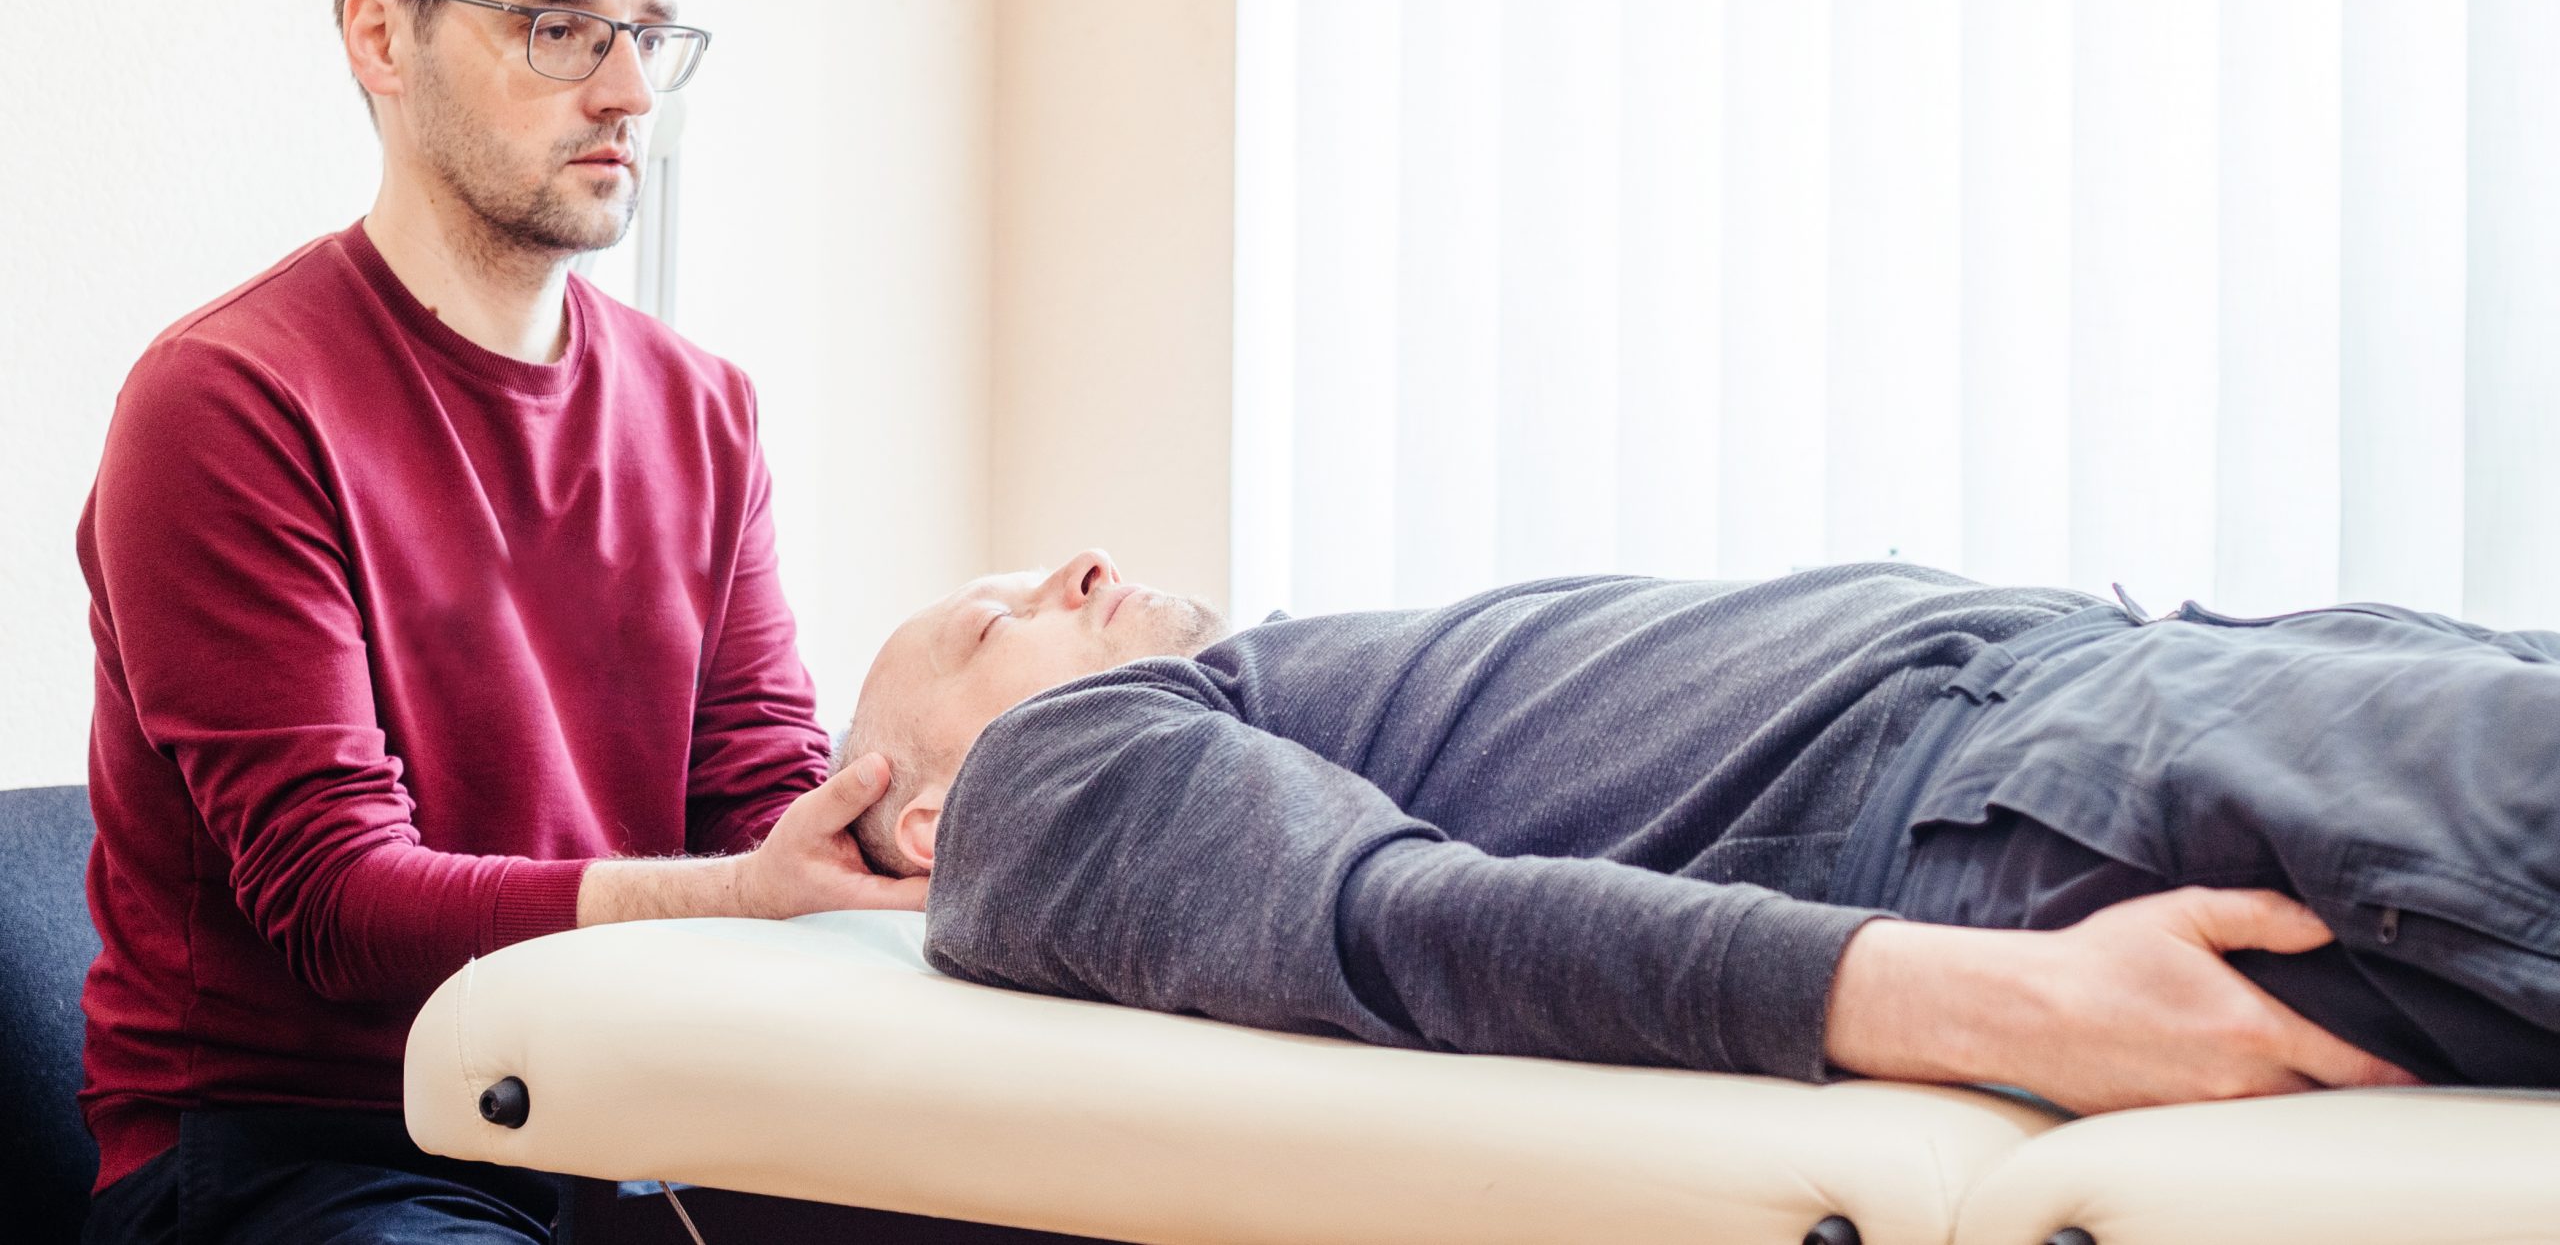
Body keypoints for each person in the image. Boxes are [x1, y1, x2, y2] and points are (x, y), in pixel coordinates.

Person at [77, 0, 917, 1245]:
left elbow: (760, 803)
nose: (629, 93)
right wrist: (743, 893)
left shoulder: (702, 409)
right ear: (381, 39)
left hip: (635, 1120)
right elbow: (338, 904)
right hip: (319, 1156)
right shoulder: (224, 402)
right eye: (556, 27)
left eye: (647, 33)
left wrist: (904, 821)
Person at [844, 551, 2560, 1114]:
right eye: (990, 622)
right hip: (2040, 780)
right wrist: (1993, 1003)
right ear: (925, 822)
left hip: (2138, 687)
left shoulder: (1265, 689)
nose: (1065, 567)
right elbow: (1405, 923)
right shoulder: (1034, 799)